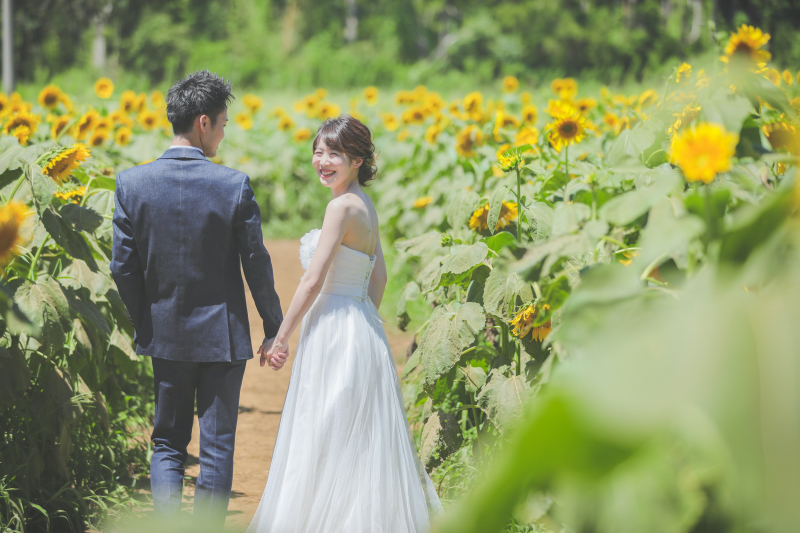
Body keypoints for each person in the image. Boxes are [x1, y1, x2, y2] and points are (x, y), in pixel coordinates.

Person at [247, 115, 440, 533]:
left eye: (334, 153)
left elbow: (313, 281)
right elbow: (380, 277)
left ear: (357, 160)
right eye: (318, 151)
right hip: (361, 326)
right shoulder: (364, 205)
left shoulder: (340, 207)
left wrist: (280, 338)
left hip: (334, 327)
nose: (323, 160)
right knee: (358, 433)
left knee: (325, 427)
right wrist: (362, 318)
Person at [110, 70, 286, 530]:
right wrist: (273, 326)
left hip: (164, 334)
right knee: (217, 446)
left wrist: (146, 319)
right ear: (204, 122)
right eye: (224, 124)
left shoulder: (132, 184)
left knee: (167, 443)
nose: (224, 134)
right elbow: (257, 265)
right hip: (222, 339)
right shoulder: (232, 185)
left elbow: (122, 268)